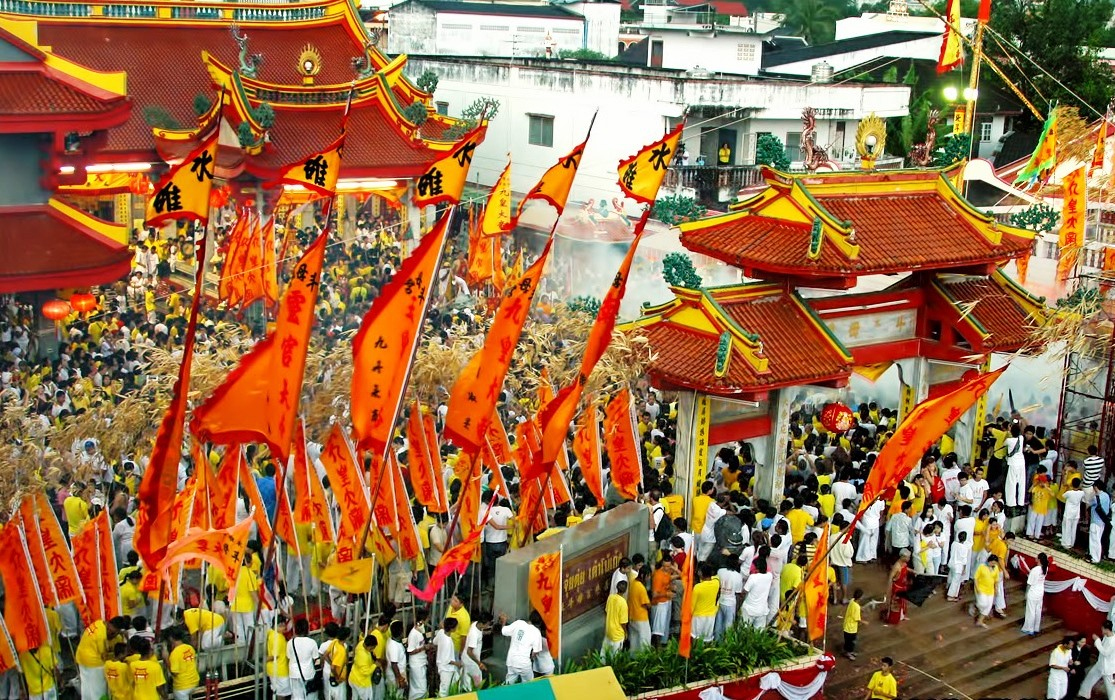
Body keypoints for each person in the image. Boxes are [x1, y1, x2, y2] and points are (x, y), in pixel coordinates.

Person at [76, 615, 127, 700]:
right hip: (94, 663)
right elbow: (104, 656)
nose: (111, 635)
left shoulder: (99, 623)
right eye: (112, 633)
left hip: (81, 657)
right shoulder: (102, 637)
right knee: (98, 688)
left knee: (86, 685)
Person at [499, 613, 542, 684]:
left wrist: (504, 621)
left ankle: (504, 693)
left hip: (511, 661)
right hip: (524, 663)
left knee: (509, 682)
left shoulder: (519, 623)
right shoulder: (536, 632)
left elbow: (504, 631)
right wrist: (531, 658)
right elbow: (536, 651)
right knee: (528, 684)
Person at [287, 618, 321, 700]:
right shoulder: (312, 642)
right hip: (308, 673)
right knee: (310, 696)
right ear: (307, 629)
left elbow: (289, 657)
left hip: (294, 673)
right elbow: (316, 659)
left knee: (297, 696)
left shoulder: (290, 642)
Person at [1079, 620, 1115, 698]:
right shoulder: (1106, 637)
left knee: (1110, 688)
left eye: (1102, 628)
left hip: (1107, 668)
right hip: (1100, 664)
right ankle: (1084, 694)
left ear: (1106, 629)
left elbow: (1105, 653)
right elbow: (1102, 646)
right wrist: (1098, 642)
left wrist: (1097, 640)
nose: (1101, 630)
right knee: (1090, 677)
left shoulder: (1113, 641)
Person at [164, 628, 200, 700]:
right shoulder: (190, 648)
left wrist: (166, 659)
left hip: (182, 687)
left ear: (171, 639)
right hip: (194, 681)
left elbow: (174, 673)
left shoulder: (174, 654)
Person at [461, 611, 493, 691]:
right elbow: (469, 651)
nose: (489, 625)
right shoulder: (474, 634)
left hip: (470, 660)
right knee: (475, 682)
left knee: (470, 680)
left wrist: (488, 632)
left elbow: (480, 633)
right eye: (488, 624)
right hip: (471, 661)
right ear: (482, 623)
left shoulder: (476, 624)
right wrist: (480, 664)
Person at [715, 555, 743, 640]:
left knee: (718, 624)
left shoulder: (720, 571)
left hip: (720, 600)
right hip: (730, 603)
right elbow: (738, 592)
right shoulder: (738, 576)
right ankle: (727, 644)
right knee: (728, 626)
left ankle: (716, 642)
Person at [650, 559, 677, 646]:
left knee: (665, 625)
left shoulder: (668, 572)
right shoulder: (658, 576)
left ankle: (663, 644)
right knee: (658, 627)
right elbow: (654, 594)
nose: (666, 568)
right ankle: (658, 648)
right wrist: (666, 594)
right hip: (660, 603)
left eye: (668, 566)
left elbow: (682, 575)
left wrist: (675, 569)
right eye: (664, 566)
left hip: (667, 602)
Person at [691, 563, 720, 643]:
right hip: (711, 616)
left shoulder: (698, 587)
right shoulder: (716, 583)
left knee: (695, 638)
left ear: (700, 573)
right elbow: (715, 577)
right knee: (707, 639)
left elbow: (692, 605)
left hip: (698, 617)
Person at [1022, 552, 1049, 635]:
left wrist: (1026, 593)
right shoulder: (1045, 568)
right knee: (1038, 610)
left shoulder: (1035, 570)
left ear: (1039, 560)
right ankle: (1036, 628)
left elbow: (1029, 583)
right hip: (1040, 592)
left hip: (1033, 592)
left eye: (1037, 557)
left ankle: (1029, 628)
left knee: (1031, 611)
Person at [406, 611, 431, 700]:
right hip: (416, 664)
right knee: (421, 689)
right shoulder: (413, 634)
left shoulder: (421, 628)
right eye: (428, 618)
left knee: (417, 688)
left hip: (421, 662)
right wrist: (423, 648)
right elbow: (410, 651)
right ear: (423, 620)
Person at [741, 557, 773, 627]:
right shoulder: (770, 576)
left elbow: (745, 591)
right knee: (758, 633)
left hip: (749, 609)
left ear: (757, 568)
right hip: (762, 610)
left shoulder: (753, 577)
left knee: (744, 631)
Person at [266, 615, 292, 700]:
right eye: (283, 626)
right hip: (280, 670)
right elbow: (275, 655)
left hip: (272, 669)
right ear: (279, 625)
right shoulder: (279, 638)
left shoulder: (271, 633)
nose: (285, 628)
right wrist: (265, 660)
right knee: (282, 693)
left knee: (277, 691)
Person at [433, 618, 460, 696]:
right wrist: (457, 663)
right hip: (446, 669)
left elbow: (435, 642)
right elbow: (447, 660)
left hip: (442, 666)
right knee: (444, 691)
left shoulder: (441, 632)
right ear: (452, 628)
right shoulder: (447, 642)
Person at [972, 555, 1001, 628]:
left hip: (990, 590)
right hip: (981, 588)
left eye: (994, 563)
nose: (993, 564)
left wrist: (996, 589)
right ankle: (975, 606)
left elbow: (996, 580)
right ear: (989, 561)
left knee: (988, 607)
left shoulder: (996, 568)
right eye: (992, 563)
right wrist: (977, 588)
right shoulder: (981, 567)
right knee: (982, 604)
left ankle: (980, 621)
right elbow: (975, 578)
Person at [627, 568, 652, 650]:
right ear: (642, 575)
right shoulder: (641, 588)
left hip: (632, 616)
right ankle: (644, 658)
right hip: (641, 618)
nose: (649, 578)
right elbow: (647, 604)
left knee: (634, 639)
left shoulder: (633, 583)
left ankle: (633, 657)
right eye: (648, 576)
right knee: (645, 640)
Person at [884, 551, 910, 625]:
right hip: (897, 588)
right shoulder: (897, 566)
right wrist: (889, 588)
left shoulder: (904, 563)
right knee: (895, 604)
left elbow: (906, 568)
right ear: (902, 557)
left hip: (903, 586)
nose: (908, 558)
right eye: (907, 557)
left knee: (903, 603)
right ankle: (892, 619)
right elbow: (890, 577)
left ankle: (902, 616)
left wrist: (912, 571)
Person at [603, 580, 629, 654]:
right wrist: (626, 633)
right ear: (625, 590)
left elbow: (606, 611)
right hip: (617, 635)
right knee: (615, 657)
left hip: (609, 631)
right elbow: (623, 623)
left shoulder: (610, 597)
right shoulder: (623, 603)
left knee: (604, 655)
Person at [348, 635, 376, 700]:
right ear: (368, 646)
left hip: (353, 678)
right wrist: (375, 665)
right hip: (362, 683)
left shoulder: (361, 644)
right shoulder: (364, 656)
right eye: (372, 648)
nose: (373, 650)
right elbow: (366, 672)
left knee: (355, 697)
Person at [946, 531, 971, 601]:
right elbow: (964, 560)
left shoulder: (954, 544)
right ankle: (951, 596)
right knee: (956, 581)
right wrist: (964, 569)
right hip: (958, 566)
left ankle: (948, 587)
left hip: (951, 563)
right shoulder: (964, 548)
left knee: (951, 576)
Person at [1089, 484, 1111, 564]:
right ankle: (1096, 557)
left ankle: (1094, 558)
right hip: (1102, 521)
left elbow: (1089, 502)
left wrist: (1092, 494)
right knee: (1098, 539)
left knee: (1094, 540)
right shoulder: (1106, 495)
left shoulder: (1095, 498)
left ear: (1095, 487)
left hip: (1095, 521)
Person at [1062, 477, 1085, 549]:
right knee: (1073, 528)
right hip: (1076, 514)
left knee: (1067, 528)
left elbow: (1063, 496)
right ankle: (1072, 543)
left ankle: (1066, 543)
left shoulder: (1069, 493)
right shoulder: (1082, 493)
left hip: (1068, 513)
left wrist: (1068, 487)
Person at [385, 620, 407, 693]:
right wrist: (400, 679)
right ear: (401, 632)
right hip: (396, 676)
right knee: (397, 695)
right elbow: (394, 664)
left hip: (399, 673)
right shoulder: (394, 647)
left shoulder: (391, 640)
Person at [843, 588, 865, 661]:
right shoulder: (857, 607)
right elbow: (857, 619)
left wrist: (860, 608)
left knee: (848, 641)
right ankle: (848, 653)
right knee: (851, 642)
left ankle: (849, 652)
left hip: (846, 625)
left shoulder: (852, 600)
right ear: (860, 597)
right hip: (851, 628)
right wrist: (865, 622)